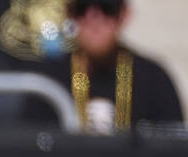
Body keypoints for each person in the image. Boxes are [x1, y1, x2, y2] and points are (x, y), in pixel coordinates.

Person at [29, 0, 183, 133]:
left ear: (124, 15)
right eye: (82, 8)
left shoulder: (154, 80)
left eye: (108, 7)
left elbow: (174, 148)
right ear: (69, 14)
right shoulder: (48, 81)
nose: (94, 18)